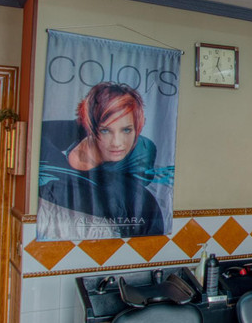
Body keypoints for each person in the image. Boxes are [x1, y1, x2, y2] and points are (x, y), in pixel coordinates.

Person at [38, 82, 167, 239]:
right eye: (105, 130)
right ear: (89, 127)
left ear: (138, 128)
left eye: (126, 130)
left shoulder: (136, 192)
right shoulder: (47, 145)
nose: (117, 143)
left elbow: (150, 243)